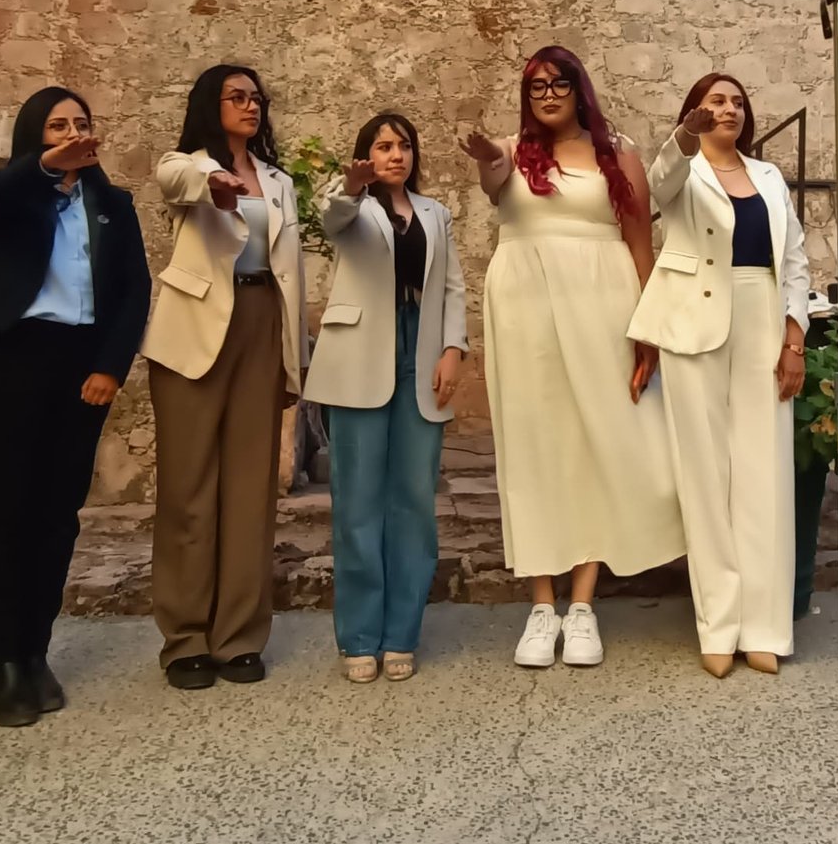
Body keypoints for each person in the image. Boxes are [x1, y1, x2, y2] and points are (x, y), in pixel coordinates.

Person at [465, 46, 683, 669]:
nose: (548, 94)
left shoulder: (619, 152)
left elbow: (642, 242)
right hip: (525, 307)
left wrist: (648, 328)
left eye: (559, 82)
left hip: (605, 305)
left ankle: (583, 605)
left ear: (578, 88)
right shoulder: (511, 150)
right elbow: (492, 176)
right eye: (536, 86)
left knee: (597, 442)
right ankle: (541, 604)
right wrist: (486, 160)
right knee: (535, 447)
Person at [0, 88, 150, 726]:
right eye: (57, 126)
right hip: (17, 357)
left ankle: (35, 653)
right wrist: (45, 168)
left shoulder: (112, 205)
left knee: (58, 514)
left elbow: (132, 293)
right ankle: (1, 663)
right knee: (9, 512)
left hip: (82, 367)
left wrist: (109, 368)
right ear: (35, 138)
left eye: (81, 124)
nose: (72, 133)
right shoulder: (11, 192)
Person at [629, 74, 811, 678]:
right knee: (705, 477)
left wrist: (794, 338)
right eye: (714, 101)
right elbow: (660, 184)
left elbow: (794, 262)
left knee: (764, 474)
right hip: (694, 322)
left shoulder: (768, 177)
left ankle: (763, 625)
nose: (727, 109)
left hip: (762, 315)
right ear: (694, 112)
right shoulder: (682, 166)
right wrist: (685, 137)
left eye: (736, 101)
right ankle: (718, 624)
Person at [140, 64, 306, 690]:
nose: (251, 106)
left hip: (263, 321)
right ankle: (185, 637)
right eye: (237, 97)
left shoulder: (280, 182)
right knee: (188, 487)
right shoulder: (187, 164)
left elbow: (295, 274)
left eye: (257, 98)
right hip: (196, 331)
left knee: (250, 489)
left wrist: (296, 358)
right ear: (212, 104)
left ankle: (239, 637)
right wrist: (212, 177)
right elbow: (174, 178)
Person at [307, 112, 468, 684]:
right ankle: (358, 636)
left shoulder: (436, 214)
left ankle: (401, 633)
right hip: (359, 356)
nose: (395, 155)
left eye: (403, 146)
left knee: (413, 500)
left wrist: (454, 349)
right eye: (382, 146)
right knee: (357, 501)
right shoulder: (350, 203)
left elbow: (451, 286)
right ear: (365, 156)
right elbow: (332, 217)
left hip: (420, 353)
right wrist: (351, 185)